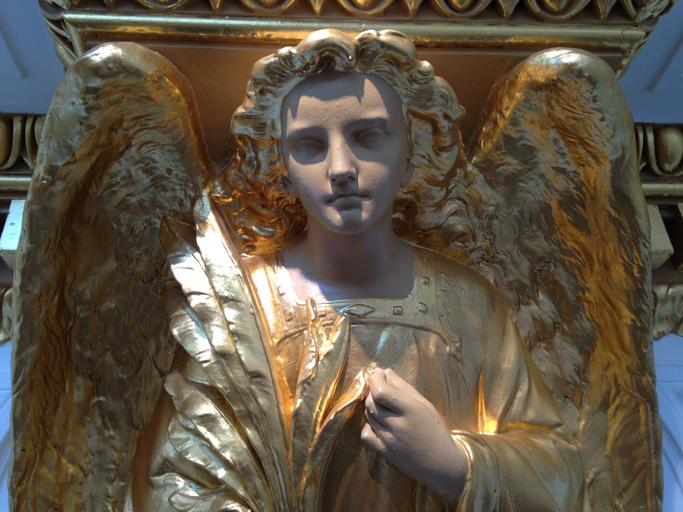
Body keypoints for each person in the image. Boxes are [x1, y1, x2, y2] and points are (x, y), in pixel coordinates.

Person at [131, 29, 583, 511]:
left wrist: (452, 464)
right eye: (309, 145)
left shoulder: (467, 305)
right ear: (281, 167)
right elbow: (175, 481)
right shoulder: (239, 308)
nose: (341, 167)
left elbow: (558, 470)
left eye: (367, 137)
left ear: (411, 153)